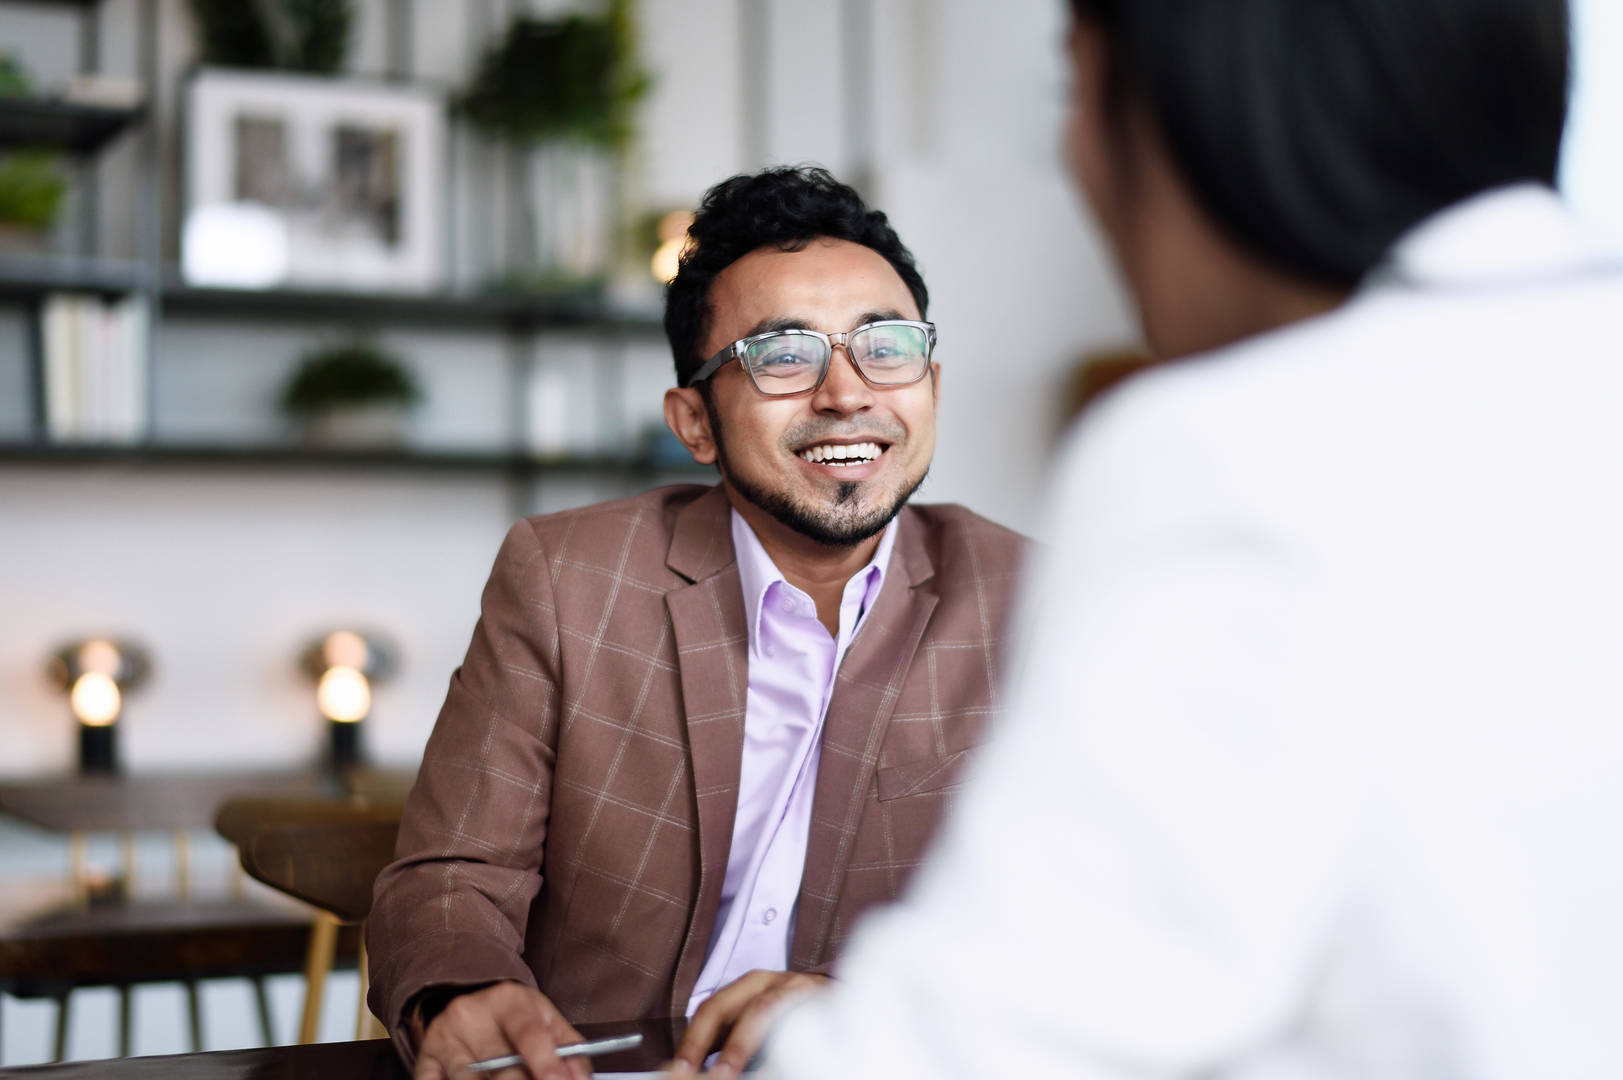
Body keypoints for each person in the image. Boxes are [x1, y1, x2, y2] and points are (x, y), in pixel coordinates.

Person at [762, 1, 1623, 1077]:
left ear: (1178, 97)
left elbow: (1001, 1041)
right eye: (785, 353)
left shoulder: (1233, 451)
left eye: (1072, 91)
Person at [365, 166, 1025, 1080]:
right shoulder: (566, 579)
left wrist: (873, 996)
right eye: (783, 355)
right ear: (695, 422)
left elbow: (1100, 911)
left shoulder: (1028, 598)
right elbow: (450, 875)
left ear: (932, 388)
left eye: (886, 345)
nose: (845, 392)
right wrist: (462, 995)